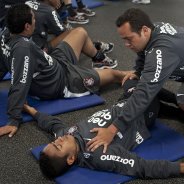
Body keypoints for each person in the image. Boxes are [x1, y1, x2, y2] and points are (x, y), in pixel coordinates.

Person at [86, 8, 184, 148]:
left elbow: (143, 95)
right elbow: (143, 51)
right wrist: (138, 71)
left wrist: (113, 129)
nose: (126, 44)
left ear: (145, 30)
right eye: (124, 39)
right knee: (136, 79)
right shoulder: (152, 30)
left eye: (129, 38)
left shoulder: (161, 52)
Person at [23, 79, 184, 179]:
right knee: (141, 83)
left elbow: (53, 125)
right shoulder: (98, 154)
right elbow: (141, 167)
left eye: (53, 142)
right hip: (143, 115)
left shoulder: (65, 136)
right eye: (58, 146)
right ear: (71, 158)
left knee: (131, 81)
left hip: (125, 102)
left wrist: (33, 112)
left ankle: (182, 111)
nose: (58, 140)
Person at [0, 4, 127, 138]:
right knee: (115, 74)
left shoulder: (5, 33)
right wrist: (14, 119)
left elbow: (1, 63)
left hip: (56, 62)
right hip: (63, 81)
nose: (35, 20)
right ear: (26, 27)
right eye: (33, 19)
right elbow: (20, 82)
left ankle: (98, 59)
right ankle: (145, 79)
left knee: (80, 32)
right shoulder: (22, 49)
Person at [25, 0, 116, 69]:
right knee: (76, 32)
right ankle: (98, 58)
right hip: (38, 53)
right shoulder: (49, 11)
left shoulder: (28, 3)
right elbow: (67, 35)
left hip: (23, 50)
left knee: (63, 29)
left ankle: (95, 46)